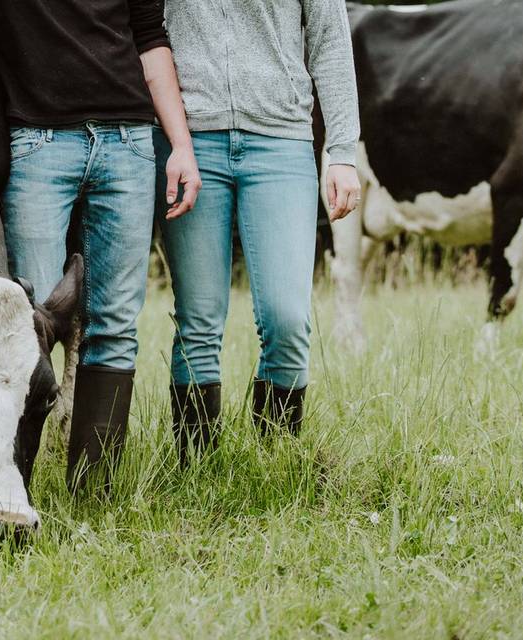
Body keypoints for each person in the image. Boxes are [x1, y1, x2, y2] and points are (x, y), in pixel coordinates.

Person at [0, 0, 200, 489]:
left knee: (116, 323)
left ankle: (96, 490)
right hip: (40, 145)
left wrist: (180, 145)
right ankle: (14, 482)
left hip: (131, 143)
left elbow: (150, 37)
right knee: (21, 323)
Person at [155, 0, 361, 463]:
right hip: (192, 141)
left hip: (282, 142)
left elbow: (330, 39)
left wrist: (343, 151)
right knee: (198, 320)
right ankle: (196, 469)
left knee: (288, 319)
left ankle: (275, 462)